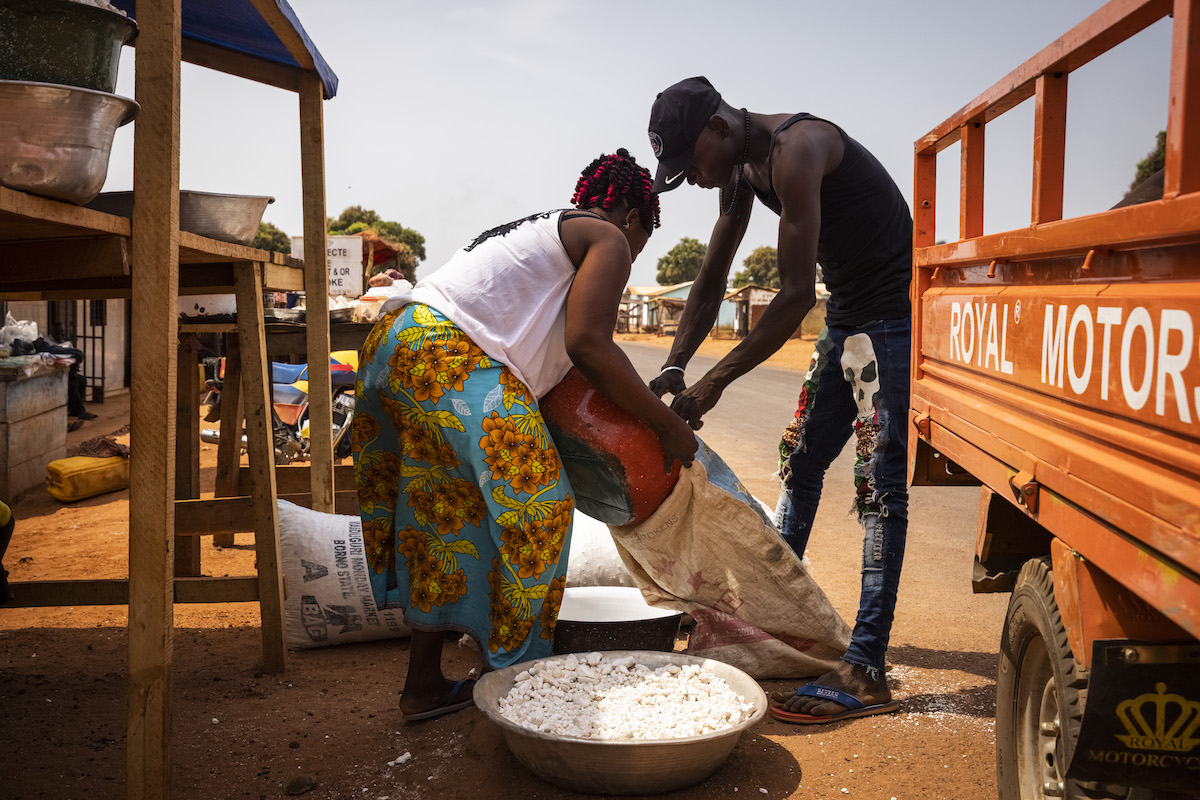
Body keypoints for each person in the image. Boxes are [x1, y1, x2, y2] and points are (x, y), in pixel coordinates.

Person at [352, 149, 698, 721]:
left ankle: (423, 687)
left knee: (448, 516)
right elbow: (590, 345)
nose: (634, 256)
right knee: (541, 507)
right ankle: (514, 682)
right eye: (644, 240)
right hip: (451, 354)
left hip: (398, 344)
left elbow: (554, 364)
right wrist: (668, 426)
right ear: (634, 217)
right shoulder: (608, 238)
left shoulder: (542, 231)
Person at [646, 77, 912, 724]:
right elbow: (711, 279)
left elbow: (794, 295)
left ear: (716, 127)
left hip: (888, 323)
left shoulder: (799, 150)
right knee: (800, 463)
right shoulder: (739, 170)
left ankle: (868, 666)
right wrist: (677, 365)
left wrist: (715, 383)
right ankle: (775, 621)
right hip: (847, 318)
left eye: (693, 165)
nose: (698, 179)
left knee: (878, 487)